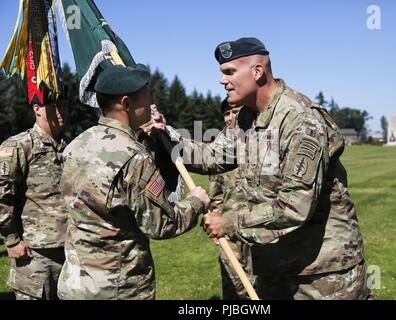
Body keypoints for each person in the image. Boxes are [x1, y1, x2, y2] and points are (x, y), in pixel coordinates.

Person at [168, 37, 371, 300]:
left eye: (229, 72)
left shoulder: (300, 119)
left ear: (257, 71)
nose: (222, 81)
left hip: (321, 274)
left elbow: (294, 206)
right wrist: (163, 136)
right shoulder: (246, 118)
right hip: (273, 267)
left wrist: (229, 222)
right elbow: (212, 156)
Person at [57, 64, 210, 300]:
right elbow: (162, 224)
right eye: (147, 97)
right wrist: (196, 202)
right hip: (119, 287)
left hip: (75, 284)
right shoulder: (133, 158)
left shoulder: (76, 145)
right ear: (126, 104)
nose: (151, 103)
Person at [0, 96, 68, 300]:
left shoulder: (68, 147)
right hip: (33, 255)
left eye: (64, 104)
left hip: (69, 250)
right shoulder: (19, 146)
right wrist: (11, 241)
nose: (61, 110)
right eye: (54, 105)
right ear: (37, 109)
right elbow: (2, 194)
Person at [208, 99, 254, 300]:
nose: (230, 117)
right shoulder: (219, 148)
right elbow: (215, 193)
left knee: (260, 286)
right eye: (227, 113)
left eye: (235, 112)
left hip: (255, 228)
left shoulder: (258, 141)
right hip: (229, 232)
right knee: (234, 289)